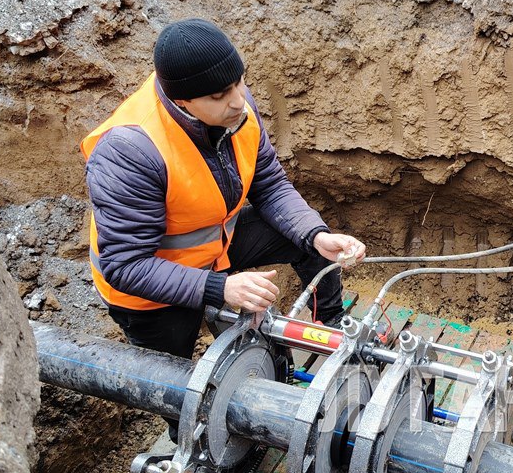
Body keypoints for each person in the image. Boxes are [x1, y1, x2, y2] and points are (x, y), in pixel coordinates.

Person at [81, 18, 364, 358]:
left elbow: (270, 185)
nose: (237, 101)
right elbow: (125, 265)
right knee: (175, 384)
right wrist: (221, 287)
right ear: (182, 101)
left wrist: (316, 235)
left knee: (309, 242)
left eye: (239, 83)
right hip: (150, 286)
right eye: (219, 96)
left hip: (215, 244)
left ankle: (331, 326)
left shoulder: (234, 107)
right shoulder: (129, 151)